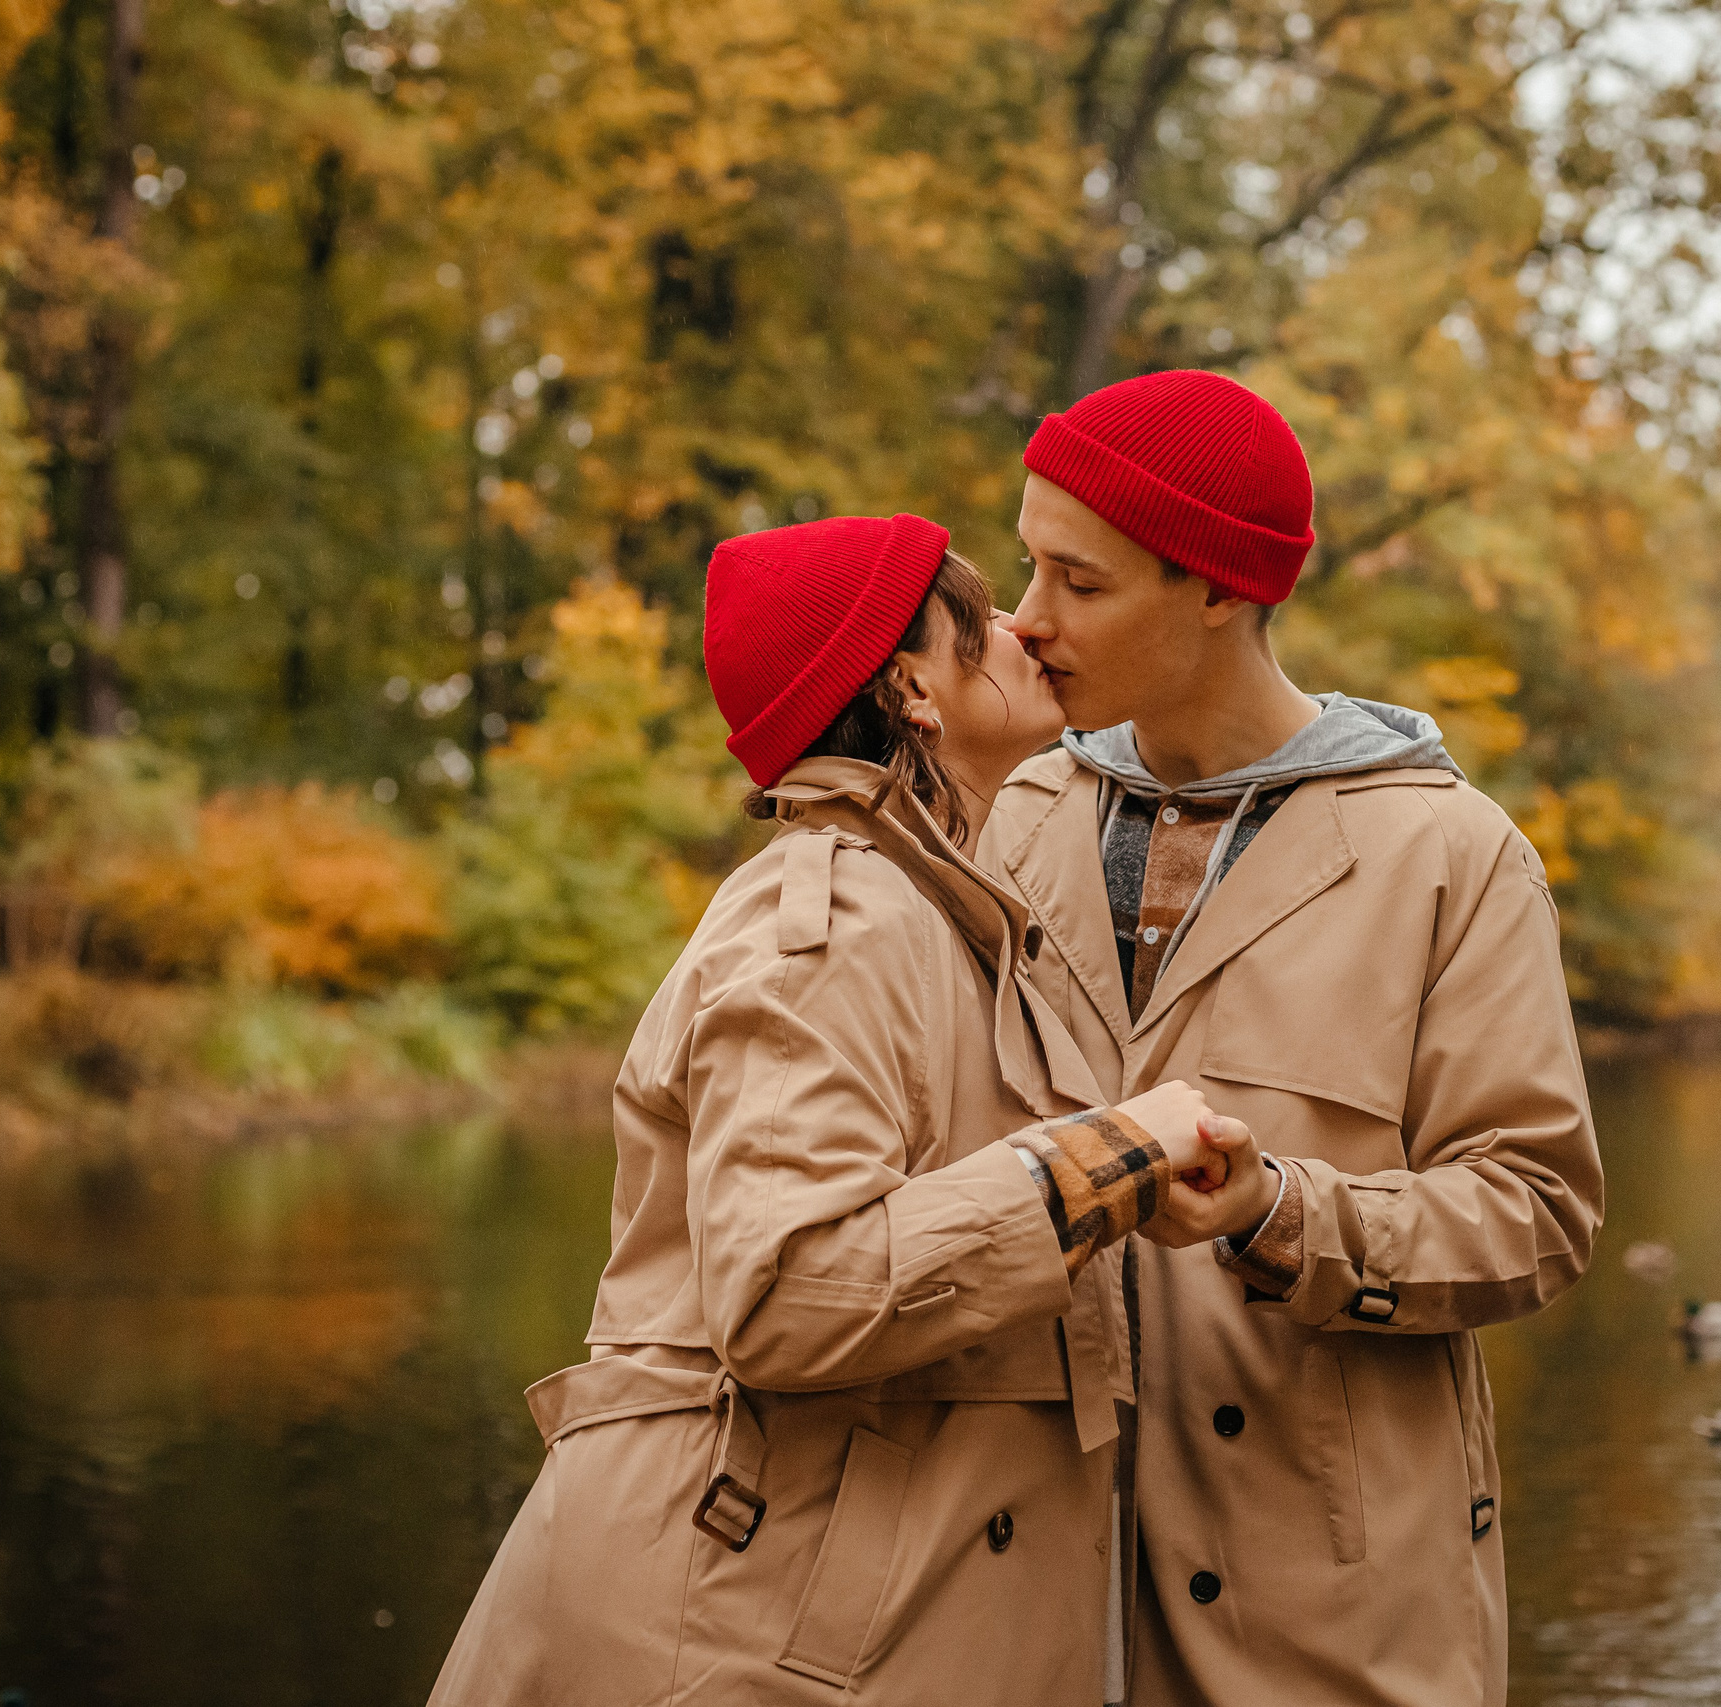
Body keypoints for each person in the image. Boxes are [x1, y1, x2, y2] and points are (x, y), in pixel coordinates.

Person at [428, 513, 1274, 1706]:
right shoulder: (831, 923)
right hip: (738, 1636)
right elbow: (790, 1290)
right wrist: (1102, 1162)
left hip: (828, 1618)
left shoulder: (932, 908)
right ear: (912, 688)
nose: (1025, 628)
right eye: (978, 620)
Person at [980, 371, 1606, 1706]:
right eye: (1028, 567)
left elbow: (1539, 1212)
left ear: (1216, 588)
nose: (1027, 621)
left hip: (1333, 1620)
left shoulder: (1454, 855)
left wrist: (1279, 1212)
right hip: (1027, 1597)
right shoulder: (1015, 814)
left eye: (1077, 583)